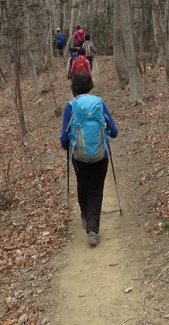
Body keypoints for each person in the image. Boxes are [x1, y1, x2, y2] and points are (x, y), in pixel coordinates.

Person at [60, 72, 119, 246]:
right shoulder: (99, 104)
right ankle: (93, 229)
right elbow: (114, 132)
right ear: (91, 85)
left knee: (82, 184)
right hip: (101, 155)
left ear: (73, 89)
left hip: (78, 156)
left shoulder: (70, 107)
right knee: (96, 189)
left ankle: (85, 215)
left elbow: (64, 138)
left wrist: (67, 146)